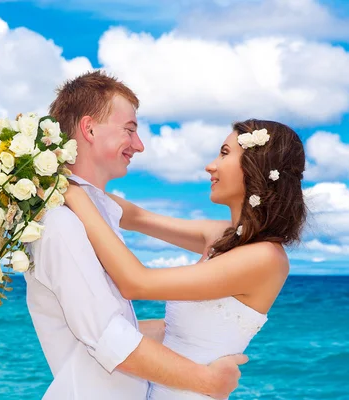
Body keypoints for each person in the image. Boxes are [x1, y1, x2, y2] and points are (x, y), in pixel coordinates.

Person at [24, 71, 247, 400]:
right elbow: (109, 339)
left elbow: (112, 326)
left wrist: (201, 334)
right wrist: (208, 382)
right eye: (130, 130)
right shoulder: (62, 222)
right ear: (89, 129)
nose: (139, 145)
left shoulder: (93, 215)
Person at [64, 119, 307, 399]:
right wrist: (67, 179)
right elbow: (137, 217)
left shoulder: (265, 257)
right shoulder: (220, 236)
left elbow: (137, 283)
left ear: (256, 166)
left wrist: (74, 195)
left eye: (224, 153)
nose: (211, 166)